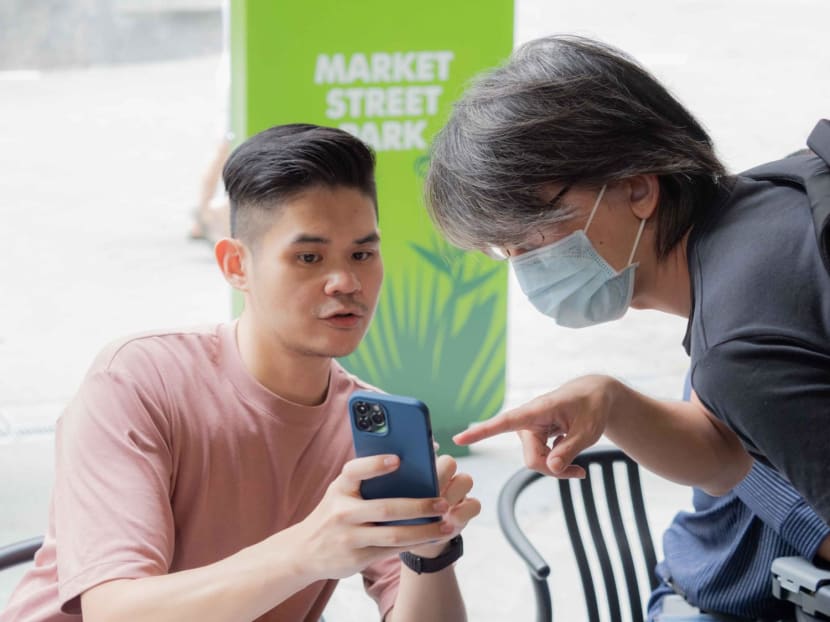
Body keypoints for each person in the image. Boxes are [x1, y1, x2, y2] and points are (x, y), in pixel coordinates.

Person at [2, 124, 479, 622]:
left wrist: (430, 551)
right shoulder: (137, 380)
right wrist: (307, 551)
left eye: (362, 253)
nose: (346, 281)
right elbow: (115, 611)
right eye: (308, 257)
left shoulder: (368, 430)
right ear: (236, 265)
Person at [423, 36, 830, 531]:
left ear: (638, 188)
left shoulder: (738, 344)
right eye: (502, 249)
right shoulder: (785, 188)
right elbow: (725, 453)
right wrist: (611, 401)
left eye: (529, 237)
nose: (524, 265)